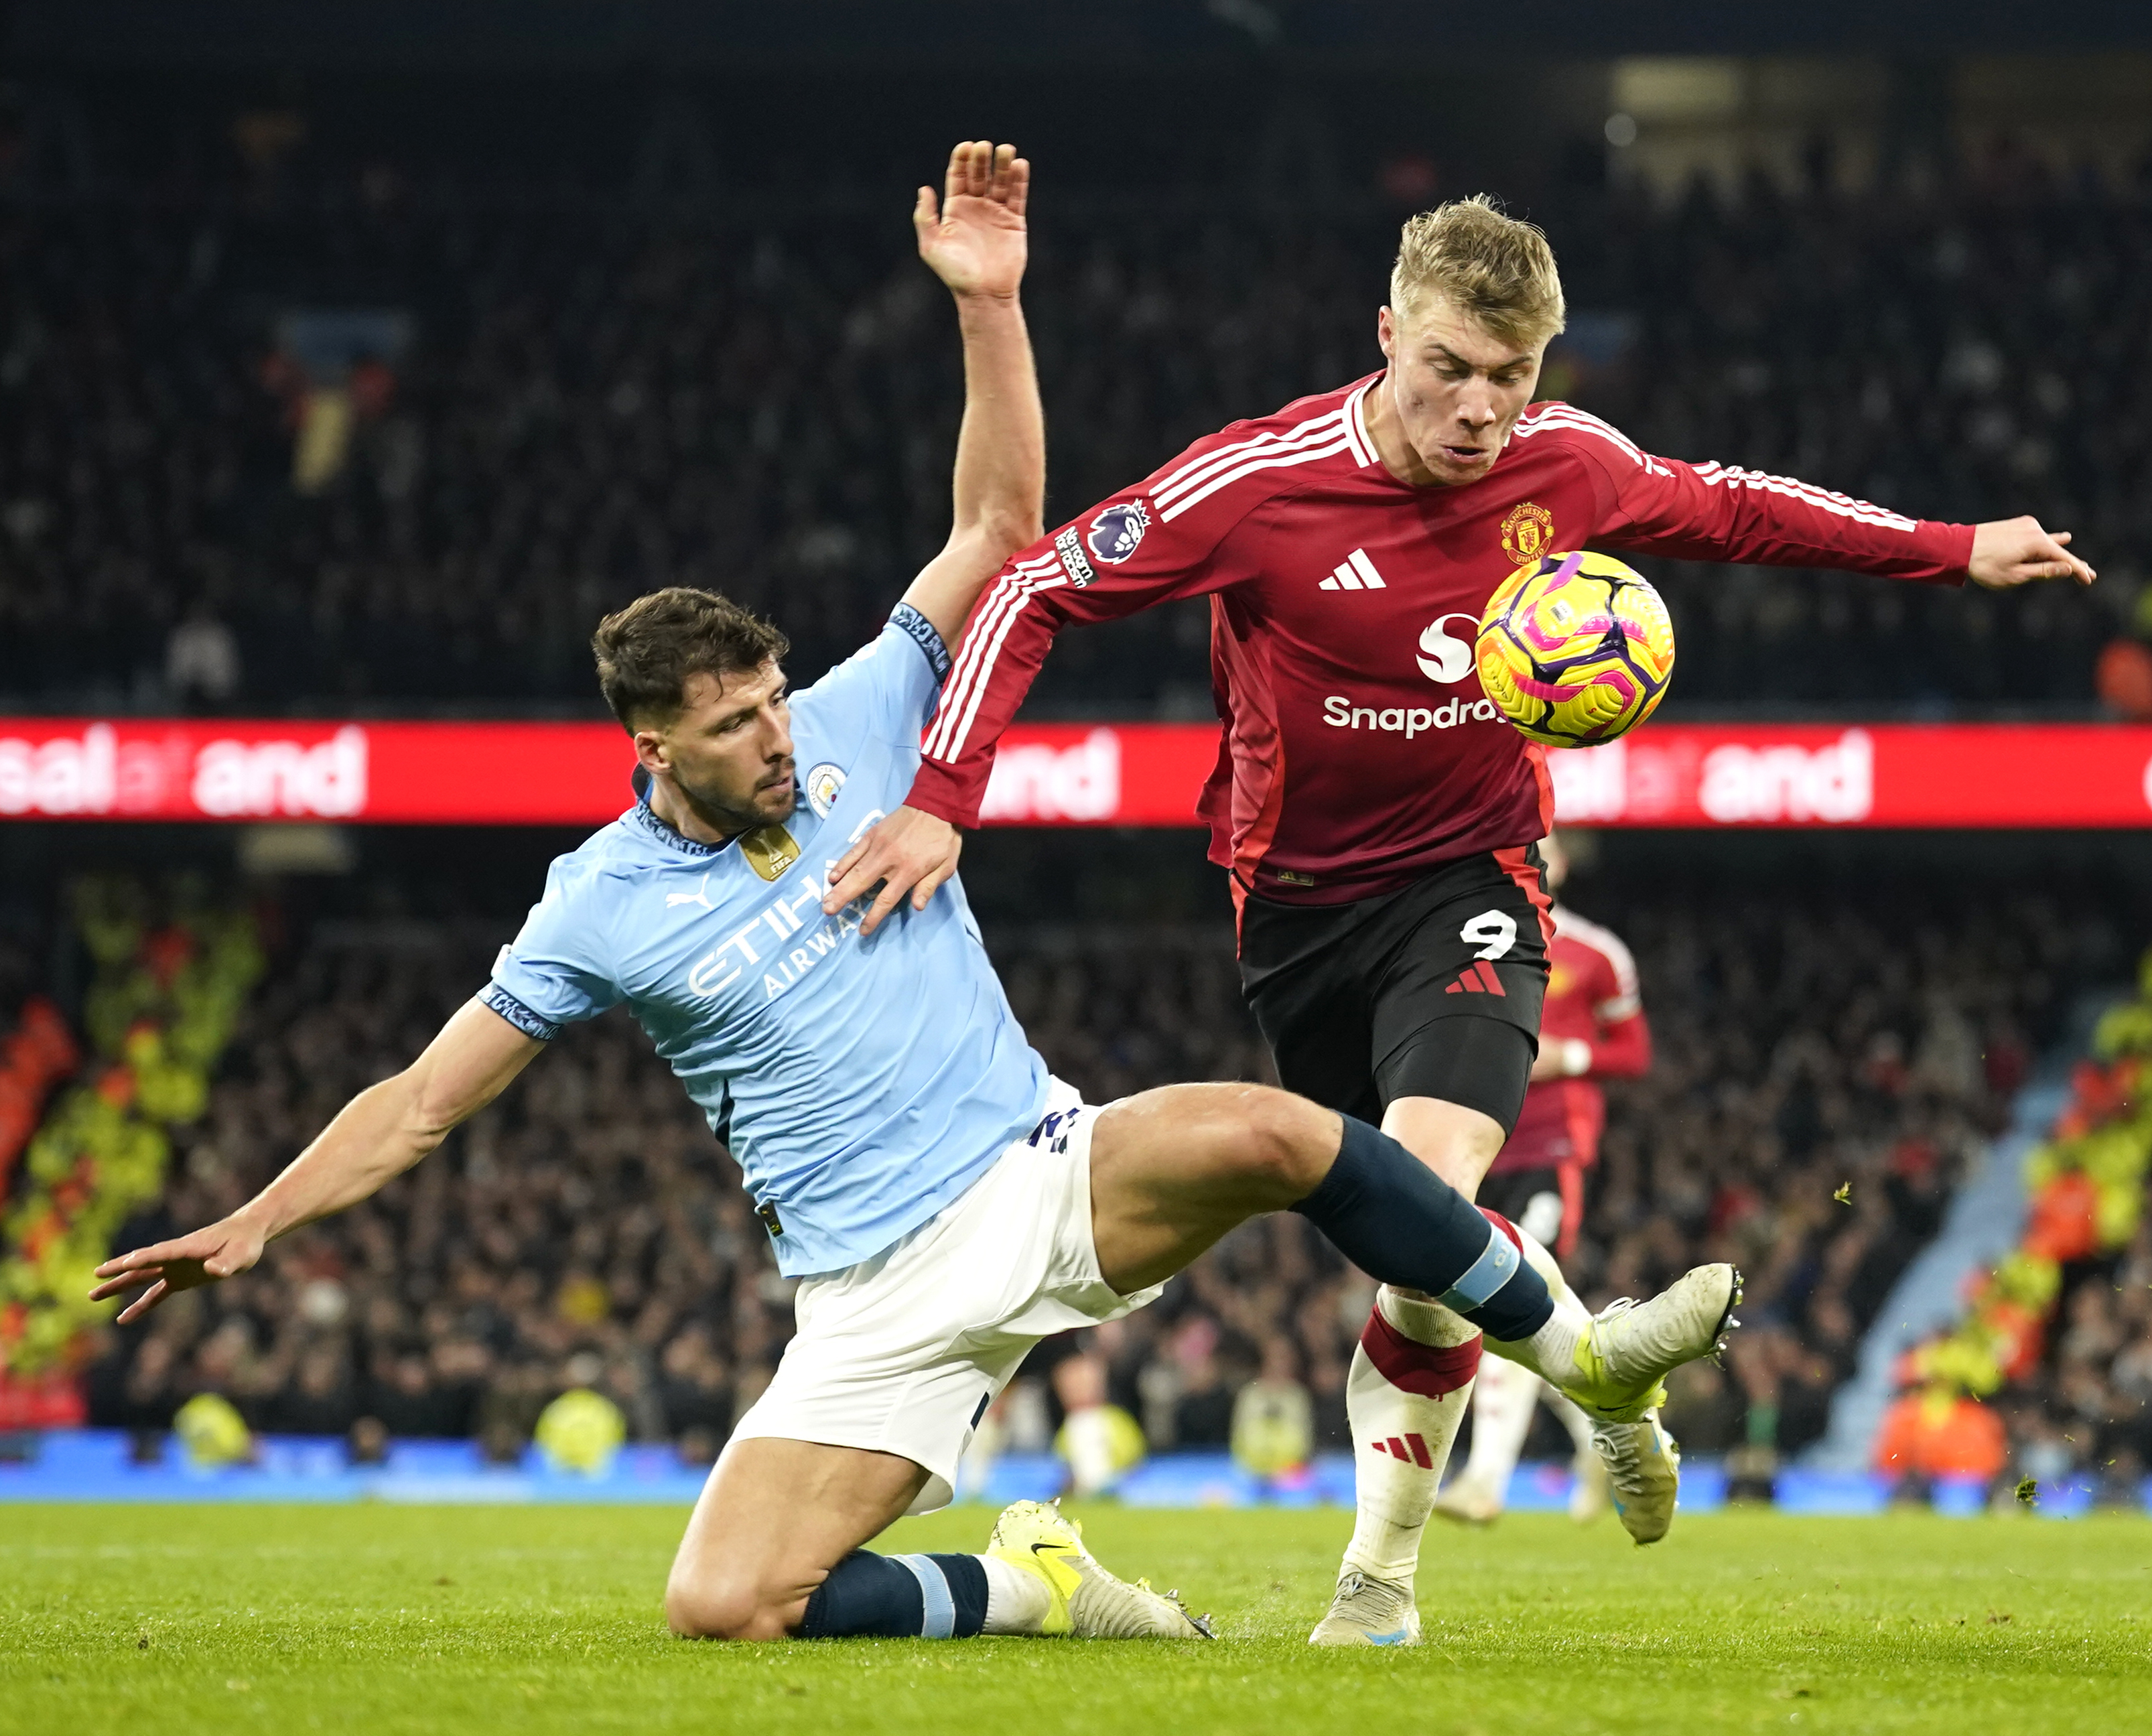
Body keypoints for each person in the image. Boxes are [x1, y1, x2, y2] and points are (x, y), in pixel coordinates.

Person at [90, 145, 1736, 1650]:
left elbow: (1001, 534)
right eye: (734, 724)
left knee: (1281, 1135)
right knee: (728, 1604)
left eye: (776, 696)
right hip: (867, 1286)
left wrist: (993, 310)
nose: (777, 733)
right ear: (650, 742)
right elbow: (424, 1100)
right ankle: (1030, 1588)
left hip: (1035, 1174)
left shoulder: (864, 721)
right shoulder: (593, 903)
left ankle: (1584, 1363)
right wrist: (256, 1222)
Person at [823, 193, 2093, 1644]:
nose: (1482, 408)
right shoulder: (1259, 483)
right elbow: (1036, 584)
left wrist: (1949, 545)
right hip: (1293, 913)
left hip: (1470, 877)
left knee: (1436, 1188)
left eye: (1511, 374)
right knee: (1416, 1261)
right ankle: (1598, 1368)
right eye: (1448, 367)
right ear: (1384, 336)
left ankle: (1377, 1583)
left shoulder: (1569, 465)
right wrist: (942, 796)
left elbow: (1737, 505)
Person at [1436, 829, 1650, 1530]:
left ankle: (1485, 1480)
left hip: (1551, 1145)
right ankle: (1613, 1417)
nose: (1533, 856)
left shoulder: (1595, 953)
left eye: (1545, 847)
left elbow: (1634, 1051)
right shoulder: (1465, 939)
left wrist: (1569, 1054)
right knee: (1531, 1314)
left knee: (1504, 1295)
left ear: (1563, 862)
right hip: (1473, 1141)